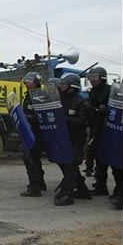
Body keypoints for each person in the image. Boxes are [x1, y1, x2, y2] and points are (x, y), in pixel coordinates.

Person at [54, 73, 91, 206]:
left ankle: (67, 194)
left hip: (77, 139)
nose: (61, 86)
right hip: (64, 137)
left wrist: (66, 120)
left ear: (72, 86)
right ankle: (82, 190)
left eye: (64, 84)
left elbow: (82, 122)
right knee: (65, 164)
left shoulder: (81, 102)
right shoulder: (60, 99)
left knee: (71, 165)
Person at [19, 72, 46, 197]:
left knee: (31, 159)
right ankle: (39, 183)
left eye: (29, 81)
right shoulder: (29, 96)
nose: (26, 83)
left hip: (37, 132)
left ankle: (35, 187)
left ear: (36, 82)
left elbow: (41, 115)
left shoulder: (39, 96)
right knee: (33, 159)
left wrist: (28, 118)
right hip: (30, 131)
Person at [86, 67, 112, 196]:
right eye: (90, 77)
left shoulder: (109, 90)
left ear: (102, 78)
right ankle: (100, 185)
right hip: (95, 126)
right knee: (95, 155)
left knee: (105, 157)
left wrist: (102, 110)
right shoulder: (92, 92)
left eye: (95, 77)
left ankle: (104, 186)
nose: (92, 80)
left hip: (106, 128)